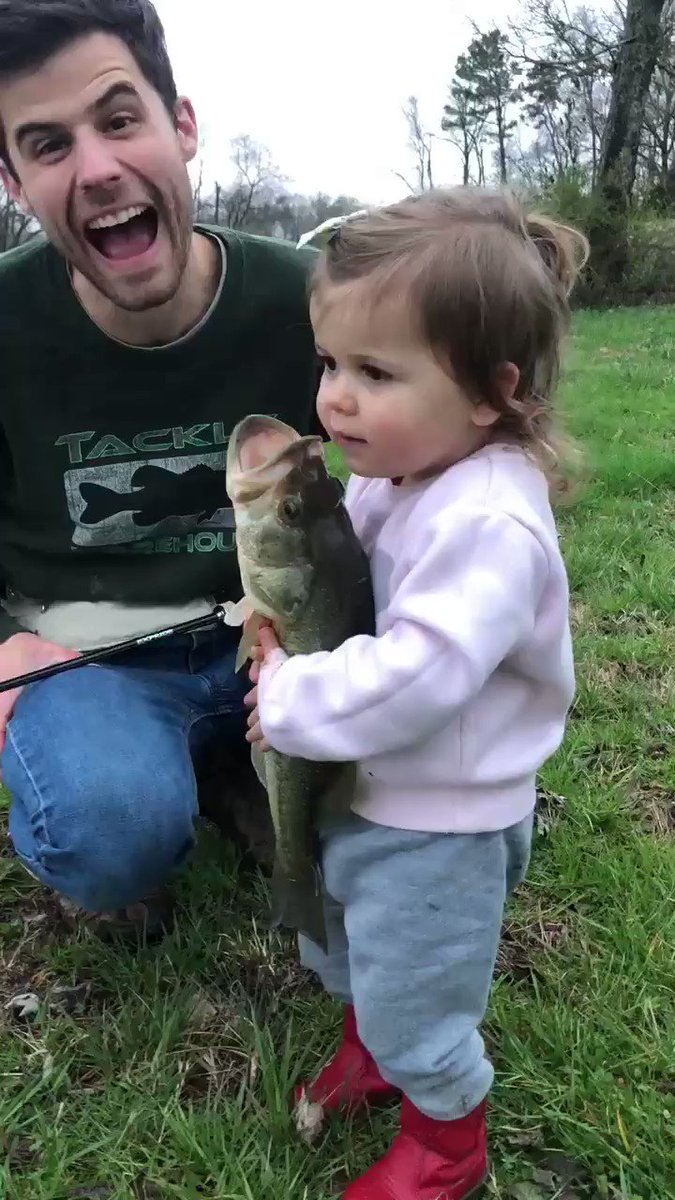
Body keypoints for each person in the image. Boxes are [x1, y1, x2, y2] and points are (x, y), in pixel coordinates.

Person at [245, 188, 588, 1199]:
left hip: (438, 826)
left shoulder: (490, 519)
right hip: (377, 791)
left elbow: (423, 674)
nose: (335, 398)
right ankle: (377, 1049)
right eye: (330, 365)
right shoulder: (398, 472)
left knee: (418, 998)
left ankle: (447, 1143)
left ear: (489, 392)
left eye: (375, 372)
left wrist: (297, 701)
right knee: (350, 948)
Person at [0, 0, 321, 938]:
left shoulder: (309, 300)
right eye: (47, 145)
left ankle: (227, 764)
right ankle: (158, 788)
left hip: (276, 636)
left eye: (118, 118)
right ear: (15, 180)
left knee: (408, 815)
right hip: (92, 656)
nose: (96, 168)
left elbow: (411, 455)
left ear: (181, 126)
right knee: (110, 831)